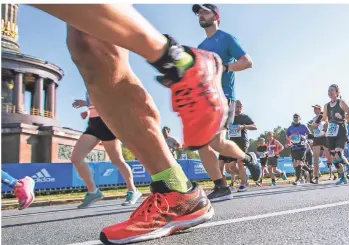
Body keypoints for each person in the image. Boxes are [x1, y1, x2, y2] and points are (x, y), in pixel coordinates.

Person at [29, 4, 237, 243]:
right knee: (88, 47)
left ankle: (182, 63)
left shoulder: (226, 38)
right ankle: (176, 191)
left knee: (90, 42)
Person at [190, 4, 260, 200]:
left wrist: (225, 68)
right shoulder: (201, 47)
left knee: (217, 142)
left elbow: (247, 61)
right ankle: (221, 187)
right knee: (201, 144)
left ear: (216, 16)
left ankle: (248, 159)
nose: (201, 15)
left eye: (205, 11)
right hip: (204, 100)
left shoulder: (226, 38)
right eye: (199, 13)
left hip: (224, 96)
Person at [71, 92, 142, 208]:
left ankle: (133, 190)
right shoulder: (89, 84)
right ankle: (93, 192)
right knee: (76, 158)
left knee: (117, 161)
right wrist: (87, 109)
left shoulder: (105, 78)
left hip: (107, 124)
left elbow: (113, 103)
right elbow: (95, 104)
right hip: (93, 125)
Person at [319, 84, 349, 185]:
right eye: (329, 91)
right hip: (330, 133)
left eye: (332, 90)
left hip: (340, 131)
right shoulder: (326, 106)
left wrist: (342, 116)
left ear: (337, 92)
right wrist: (321, 125)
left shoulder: (341, 103)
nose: (330, 92)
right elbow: (324, 119)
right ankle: (342, 177)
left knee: (339, 154)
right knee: (333, 157)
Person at [218, 100, 257, 193]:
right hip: (232, 143)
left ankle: (243, 183)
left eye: (240, 107)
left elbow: (255, 126)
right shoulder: (229, 118)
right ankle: (244, 176)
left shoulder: (244, 117)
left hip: (242, 142)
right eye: (237, 107)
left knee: (240, 162)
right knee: (230, 167)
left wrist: (244, 126)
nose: (238, 109)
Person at [286, 114, 314, 185]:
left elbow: (309, 134)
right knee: (295, 163)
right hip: (294, 147)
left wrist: (306, 140)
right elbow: (287, 137)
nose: (295, 118)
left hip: (302, 147)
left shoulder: (303, 126)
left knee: (299, 162)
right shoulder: (290, 128)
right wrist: (289, 142)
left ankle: (298, 179)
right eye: (294, 117)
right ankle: (310, 170)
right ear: (293, 119)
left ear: (299, 118)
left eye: (297, 117)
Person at [310, 105, 333, 183]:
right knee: (316, 158)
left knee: (328, 157)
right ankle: (316, 177)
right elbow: (313, 127)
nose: (314, 110)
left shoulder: (324, 117)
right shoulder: (313, 118)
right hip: (316, 138)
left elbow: (327, 126)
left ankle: (331, 174)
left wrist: (325, 131)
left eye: (315, 109)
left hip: (324, 138)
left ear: (319, 109)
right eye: (314, 109)